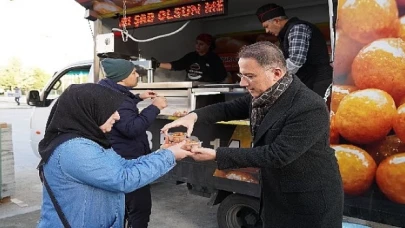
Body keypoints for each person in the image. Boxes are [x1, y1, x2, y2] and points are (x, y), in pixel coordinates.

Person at [161, 42, 343, 228]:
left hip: (308, 199)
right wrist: (193, 116)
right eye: (241, 75)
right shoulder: (265, 95)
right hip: (276, 193)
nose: (242, 83)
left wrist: (216, 154)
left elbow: (277, 155)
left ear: (276, 73)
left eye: (249, 76)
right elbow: (228, 108)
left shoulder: (308, 106)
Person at [36, 83, 191, 228]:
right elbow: (123, 179)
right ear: (91, 111)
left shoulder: (89, 140)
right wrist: (169, 155)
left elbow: (123, 165)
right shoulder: (74, 148)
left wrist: (163, 152)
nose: (117, 117)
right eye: (111, 111)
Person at [98, 58, 167, 228]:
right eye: (133, 73)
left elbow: (123, 108)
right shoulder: (119, 100)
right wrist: (155, 107)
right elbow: (131, 128)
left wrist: (137, 98)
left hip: (115, 157)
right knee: (139, 209)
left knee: (119, 207)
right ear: (121, 77)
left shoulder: (108, 90)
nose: (137, 75)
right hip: (128, 161)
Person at [255, 3, 332, 97]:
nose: (267, 31)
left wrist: (274, 78)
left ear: (276, 21)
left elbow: (296, 61)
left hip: (318, 81)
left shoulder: (297, 28)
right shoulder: (285, 34)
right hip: (308, 81)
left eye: (266, 26)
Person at [152, 33, 228, 83]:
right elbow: (177, 65)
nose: (197, 46)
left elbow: (221, 76)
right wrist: (158, 64)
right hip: (191, 89)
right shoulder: (191, 56)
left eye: (201, 44)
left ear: (208, 46)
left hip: (207, 91)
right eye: (197, 43)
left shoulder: (214, 59)